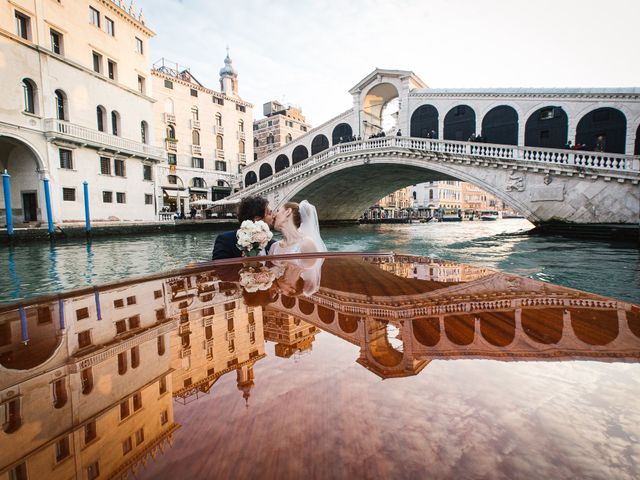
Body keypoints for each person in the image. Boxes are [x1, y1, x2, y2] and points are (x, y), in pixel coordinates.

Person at [270, 200, 327, 295]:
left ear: (288, 212)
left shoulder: (306, 244)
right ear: (292, 289)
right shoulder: (274, 246)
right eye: (282, 291)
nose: (274, 215)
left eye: (278, 211)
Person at [211, 196, 275, 260]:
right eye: (270, 213)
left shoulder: (272, 244)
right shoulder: (226, 241)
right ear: (257, 220)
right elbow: (219, 268)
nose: (274, 216)